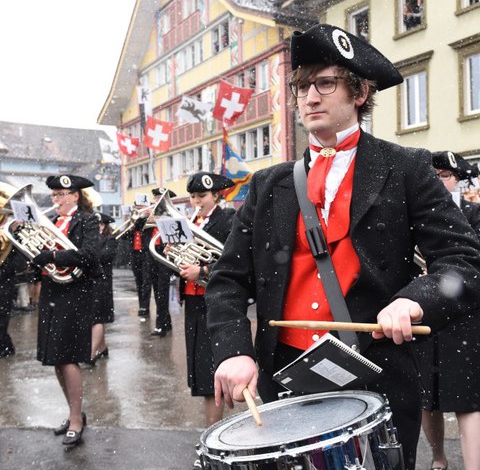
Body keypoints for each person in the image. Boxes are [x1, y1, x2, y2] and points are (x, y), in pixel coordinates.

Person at [205, 24, 480, 469]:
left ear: (359, 92)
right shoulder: (268, 184)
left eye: (325, 82)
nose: (310, 97)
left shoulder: (406, 167)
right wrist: (235, 349)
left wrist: (413, 301)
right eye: (301, 86)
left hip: (377, 375)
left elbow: (464, 261)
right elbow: (227, 281)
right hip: (284, 376)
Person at [416, 151, 480, 470]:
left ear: (456, 177)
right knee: (429, 399)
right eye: (434, 175)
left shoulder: (475, 214)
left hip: (465, 316)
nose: (440, 181)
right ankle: (438, 459)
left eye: (445, 175)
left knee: (469, 397)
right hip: (425, 316)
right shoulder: (416, 215)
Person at [31, 174, 102, 446]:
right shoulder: (51, 221)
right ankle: (74, 412)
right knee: (55, 358)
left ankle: (76, 419)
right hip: (53, 290)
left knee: (68, 357)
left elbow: (89, 255)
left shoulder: (87, 220)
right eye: (54, 195)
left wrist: (53, 256)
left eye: (62, 195)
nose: (57, 200)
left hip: (75, 292)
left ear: (75, 196)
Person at [173, 172, 235, 433]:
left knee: (211, 371)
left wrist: (204, 271)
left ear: (215, 195)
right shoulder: (189, 221)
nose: (196, 201)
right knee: (201, 371)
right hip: (193, 301)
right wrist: (174, 252)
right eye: (193, 196)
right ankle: (211, 430)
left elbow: (234, 259)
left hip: (214, 301)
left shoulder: (227, 220)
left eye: (202, 196)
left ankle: (214, 432)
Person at [146, 187, 176, 337]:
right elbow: (139, 229)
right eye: (156, 198)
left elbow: (175, 237)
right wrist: (144, 217)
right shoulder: (152, 215)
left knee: (162, 291)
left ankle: (161, 326)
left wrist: (162, 219)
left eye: (160, 198)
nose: (156, 201)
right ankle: (166, 322)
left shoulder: (171, 215)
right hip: (152, 254)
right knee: (156, 290)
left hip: (165, 254)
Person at [89, 212, 118, 364]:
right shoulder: (91, 239)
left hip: (103, 281)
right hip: (91, 281)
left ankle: (92, 354)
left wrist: (88, 252)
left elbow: (104, 256)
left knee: (97, 318)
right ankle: (102, 347)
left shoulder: (110, 239)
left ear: (103, 225)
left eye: (98, 224)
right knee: (96, 316)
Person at [0, 248, 16, 358]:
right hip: (6, 279)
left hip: (5, 280)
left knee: (2, 314)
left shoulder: (9, 236)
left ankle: (4, 345)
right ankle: (5, 344)